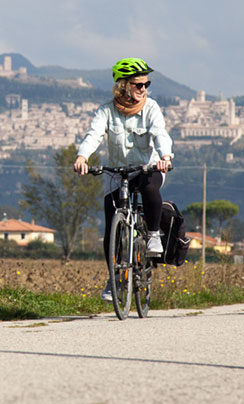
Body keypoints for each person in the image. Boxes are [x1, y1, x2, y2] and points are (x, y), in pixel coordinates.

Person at [74, 58, 174, 301]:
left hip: (148, 167)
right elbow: (94, 134)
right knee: (111, 221)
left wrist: (165, 156)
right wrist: (82, 156)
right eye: (138, 85)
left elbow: (160, 133)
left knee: (150, 188)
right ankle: (114, 279)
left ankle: (151, 234)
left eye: (145, 84)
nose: (143, 89)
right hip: (119, 172)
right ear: (123, 86)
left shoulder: (151, 108)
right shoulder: (106, 111)